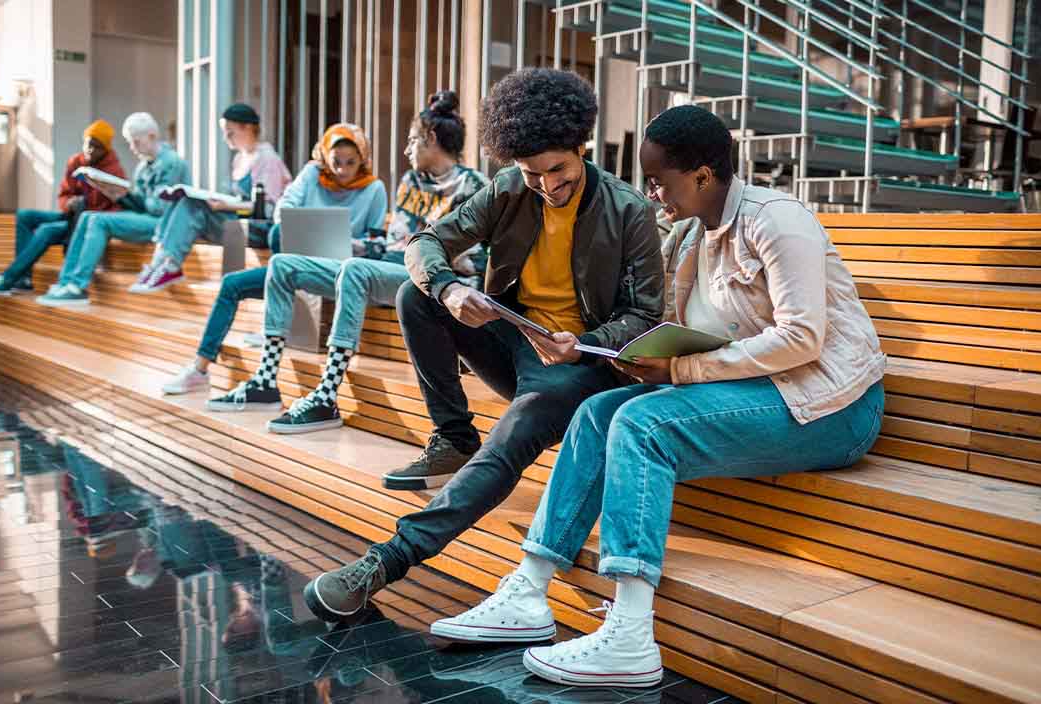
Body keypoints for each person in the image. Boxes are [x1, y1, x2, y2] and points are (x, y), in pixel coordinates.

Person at [429, 105, 887, 687]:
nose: (650, 193)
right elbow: (667, 325)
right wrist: (618, 351)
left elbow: (802, 338)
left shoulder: (777, 220)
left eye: (658, 181)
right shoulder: (690, 235)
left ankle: (630, 633)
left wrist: (684, 369)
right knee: (598, 413)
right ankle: (529, 590)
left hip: (830, 405)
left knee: (643, 427)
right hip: (754, 392)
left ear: (701, 175)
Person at [301, 68, 665, 620]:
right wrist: (447, 288)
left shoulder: (627, 208)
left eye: (558, 170)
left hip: (578, 366)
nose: (547, 184)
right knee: (414, 296)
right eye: (531, 173)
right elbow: (425, 243)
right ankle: (452, 437)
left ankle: (386, 562)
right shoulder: (508, 189)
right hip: (514, 336)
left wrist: (587, 341)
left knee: (509, 442)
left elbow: (645, 316)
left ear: (581, 147)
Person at [203, 93, 490, 438]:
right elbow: (390, 241)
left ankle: (327, 395)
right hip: (389, 267)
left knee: (354, 269)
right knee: (282, 265)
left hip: (435, 280)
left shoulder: (472, 185)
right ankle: (265, 381)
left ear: (431, 140)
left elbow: (481, 257)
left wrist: (442, 257)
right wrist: (357, 245)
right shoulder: (410, 183)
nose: (407, 149)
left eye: (413, 140)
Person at [161, 120, 388, 396]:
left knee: (276, 253)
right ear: (324, 156)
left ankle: (270, 368)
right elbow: (284, 208)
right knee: (233, 283)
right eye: (335, 161)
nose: (341, 170)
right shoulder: (312, 174)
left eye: (350, 163)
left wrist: (351, 244)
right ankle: (199, 369)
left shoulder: (374, 189)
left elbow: (377, 245)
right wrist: (303, 228)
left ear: (362, 159)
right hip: (297, 264)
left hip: (339, 273)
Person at [131, 103, 291, 293]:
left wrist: (227, 205)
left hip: (260, 229)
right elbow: (240, 204)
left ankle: (170, 266)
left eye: (230, 132)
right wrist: (224, 204)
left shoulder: (267, 159)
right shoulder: (240, 159)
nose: (225, 138)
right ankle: (160, 263)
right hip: (239, 223)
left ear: (247, 128)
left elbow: (267, 210)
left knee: (192, 205)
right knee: (183, 199)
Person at [34, 112, 190, 306]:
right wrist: (117, 194)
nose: (132, 148)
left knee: (99, 220)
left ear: (151, 136)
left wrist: (126, 197)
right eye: (129, 142)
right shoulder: (142, 167)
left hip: (166, 224)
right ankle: (65, 282)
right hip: (146, 218)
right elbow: (142, 203)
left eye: (136, 142)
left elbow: (160, 208)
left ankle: (77, 287)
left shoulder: (171, 162)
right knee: (88, 216)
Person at [0, 119, 126, 296]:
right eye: (87, 144)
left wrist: (88, 200)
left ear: (105, 149)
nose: (90, 150)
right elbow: (64, 194)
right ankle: (23, 279)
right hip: (70, 215)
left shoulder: (114, 170)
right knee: (24, 216)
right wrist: (69, 202)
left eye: (96, 146)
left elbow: (114, 209)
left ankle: (8, 279)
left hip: (86, 222)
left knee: (47, 230)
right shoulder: (76, 161)